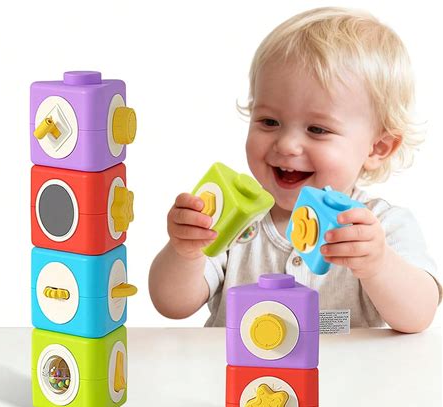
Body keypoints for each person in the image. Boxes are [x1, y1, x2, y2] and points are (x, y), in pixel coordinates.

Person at [149, 7, 441, 332]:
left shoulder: (380, 227)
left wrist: (378, 264)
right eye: (269, 121)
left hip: (347, 369)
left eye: (317, 129)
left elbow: (419, 315)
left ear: (377, 148)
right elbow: (171, 304)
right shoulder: (234, 221)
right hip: (237, 368)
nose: (287, 144)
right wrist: (185, 251)